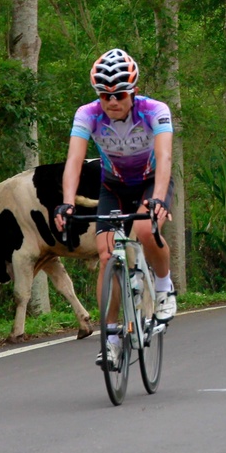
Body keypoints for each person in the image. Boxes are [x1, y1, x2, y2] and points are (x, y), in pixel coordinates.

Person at [53, 48, 176, 368]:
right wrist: (67, 202)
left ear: (133, 91)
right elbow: (74, 160)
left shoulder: (155, 110)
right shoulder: (87, 115)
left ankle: (164, 287)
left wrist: (158, 199)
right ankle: (109, 340)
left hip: (151, 182)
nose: (112, 101)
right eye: (104, 95)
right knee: (106, 255)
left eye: (119, 94)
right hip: (114, 187)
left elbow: (164, 157)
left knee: (146, 231)